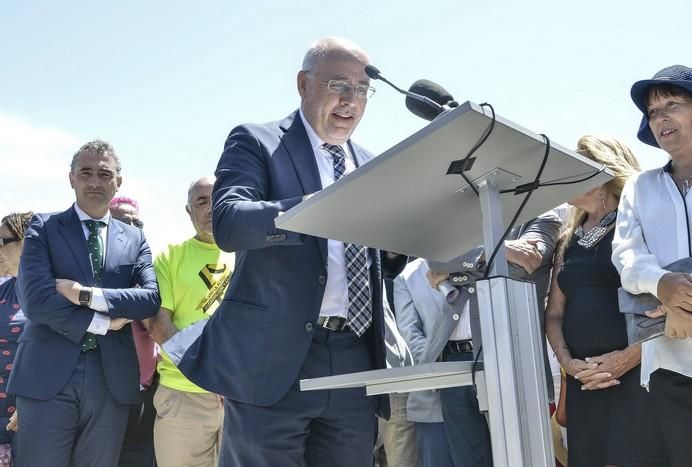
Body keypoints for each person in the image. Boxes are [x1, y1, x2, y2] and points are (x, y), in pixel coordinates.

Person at [176, 37, 388, 467]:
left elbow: (379, 258)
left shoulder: (372, 164)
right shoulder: (257, 141)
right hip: (273, 360)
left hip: (354, 355)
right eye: (339, 85)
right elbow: (231, 222)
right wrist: (320, 207)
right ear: (303, 84)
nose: (351, 100)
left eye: (362, 89)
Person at [8, 140, 161, 467]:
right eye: (86, 173)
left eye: (104, 174)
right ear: (71, 178)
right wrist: (104, 321)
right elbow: (35, 301)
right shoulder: (44, 228)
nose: (95, 182)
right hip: (47, 375)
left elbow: (149, 299)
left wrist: (85, 294)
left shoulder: (134, 239)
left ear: (118, 181)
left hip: (111, 381)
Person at [546, 135, 666, 467]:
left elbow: (671, 308)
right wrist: (569, 364)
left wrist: (626, 359)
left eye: (574, 169)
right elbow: (554, 313)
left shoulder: (641, 227)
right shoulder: (567, 240)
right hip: (586, 381)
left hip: (635, 377)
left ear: (601, 174)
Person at [425, 212, 561, 467]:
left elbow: (520, 268)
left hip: (509, 357)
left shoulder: (543, 217)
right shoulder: (464, 218)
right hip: (453, 362)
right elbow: (434, 260)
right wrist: (495, 251)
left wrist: (454, 269)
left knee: (519, 460)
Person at [612, 64, 692, 466]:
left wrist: (687, 304)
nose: (660, 117)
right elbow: (626, 254)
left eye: (672, 104)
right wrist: (663, 286)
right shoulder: (639, 186)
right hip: (670, 364)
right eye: (653, 111)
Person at [146, 177, 231, 467]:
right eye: (201, 201)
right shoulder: (169, 258)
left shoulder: (249, 255)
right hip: (184, 395)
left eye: (216, 199)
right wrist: (205, 372)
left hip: (240, 397)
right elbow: (159, 327)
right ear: (189, 210)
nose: (210, 207)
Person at [109, 196, 158, 467]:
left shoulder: (152, 270)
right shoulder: (91, 272)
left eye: (135, 221)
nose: (130, 226)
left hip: (145, 390)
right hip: (102, 393)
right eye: (122, 221)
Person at [0, 212, 33, 466]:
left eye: (3, 241)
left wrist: (33, 406)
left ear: (28, 242)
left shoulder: (54, 293)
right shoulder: (4, 289)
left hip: (29, 415)